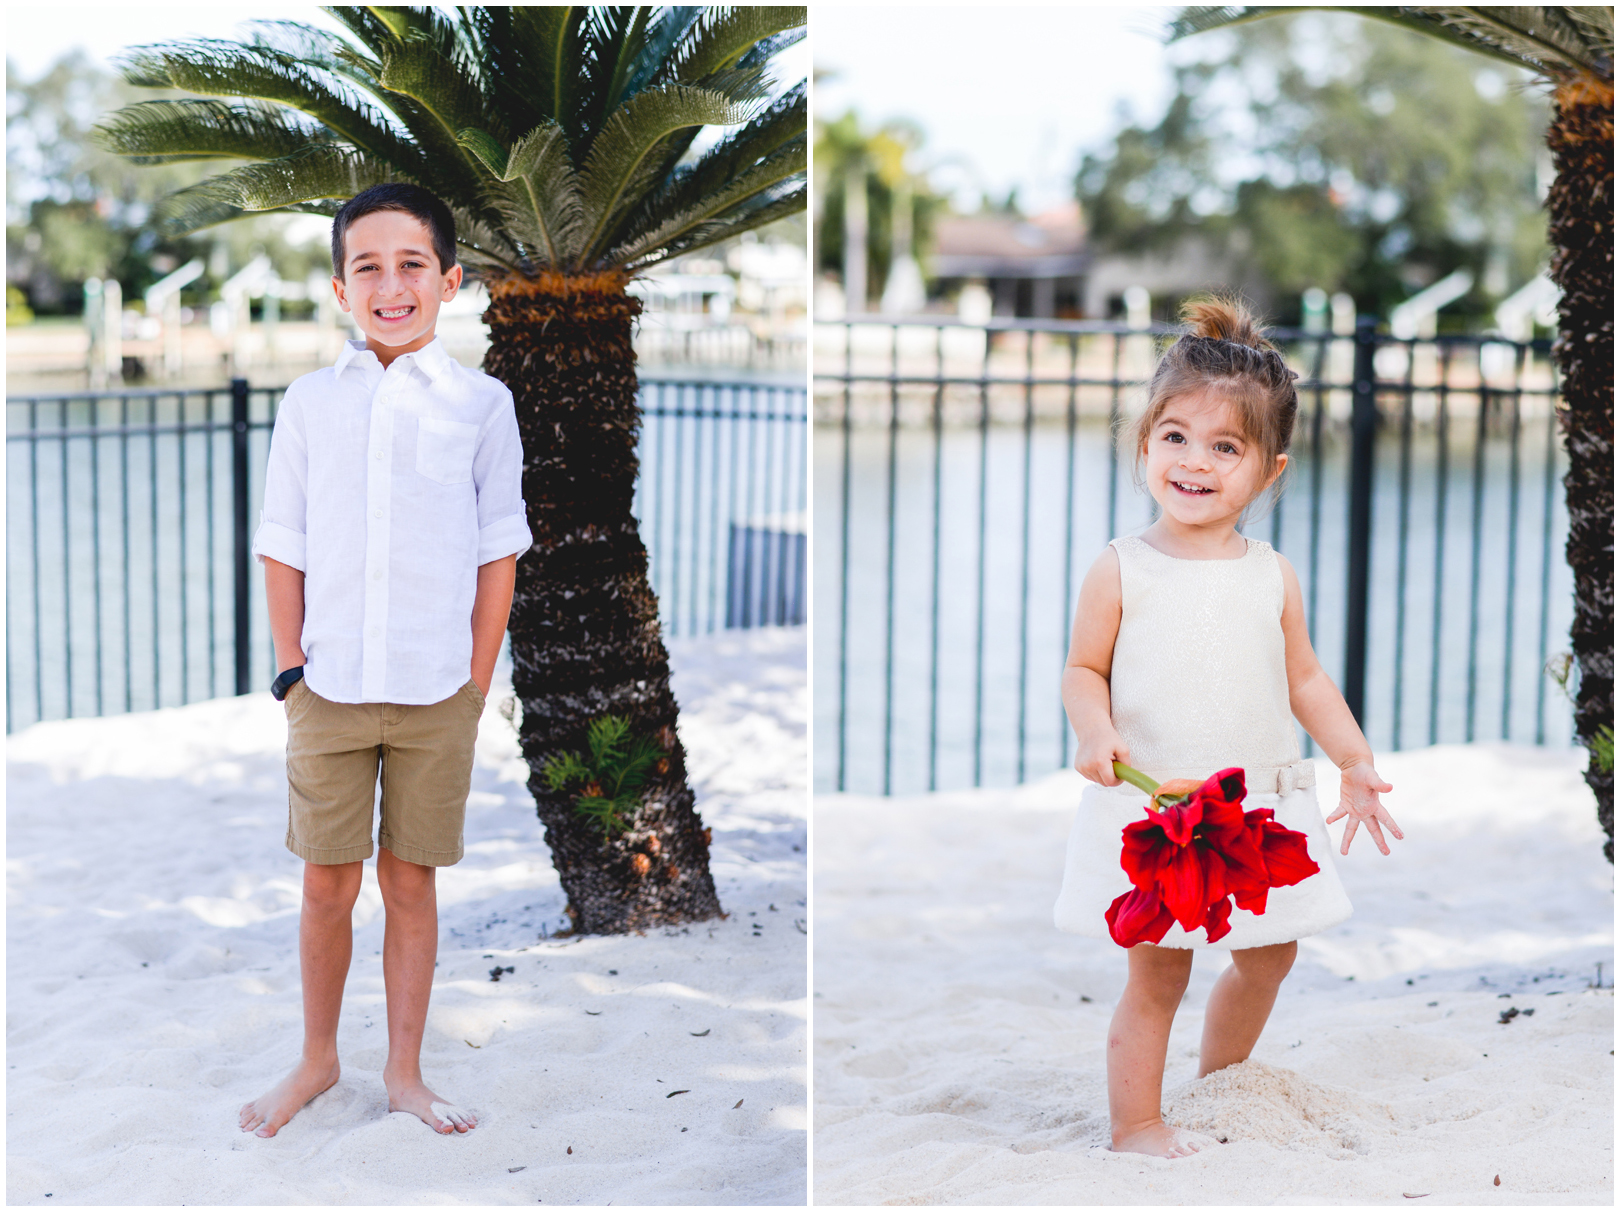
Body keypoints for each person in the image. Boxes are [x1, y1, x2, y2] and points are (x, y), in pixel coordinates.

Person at [1053, 298, 1403, 1159]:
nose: (1194, 462)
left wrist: (1353, 759)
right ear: (1144, 446)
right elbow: (1081, 670)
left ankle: (1223, 1084)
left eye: (1224, 447)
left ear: (1267, 470)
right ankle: (1136, 1123)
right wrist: (1093, 730)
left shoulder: (1270, 574)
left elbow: (1307, 678)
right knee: (1158, 970)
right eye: (1173, 437)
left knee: (1270, 952)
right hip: (1160, 809)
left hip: (1253, 806)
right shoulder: (1120, 566)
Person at [238, 183, 532, 1139]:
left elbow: (499, 551)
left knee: (412, 882)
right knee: (327, 882)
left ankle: (403, 1071)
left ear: (449, 281)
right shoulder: (309, 403)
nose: (390, 284)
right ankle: (318, 1059)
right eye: (367, 266)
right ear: (338, 287)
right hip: (325, 688)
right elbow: (282, 540)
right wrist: (290, 667)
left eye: (411, 265)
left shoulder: (482, 406)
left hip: (434, 690)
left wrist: (474, 683)